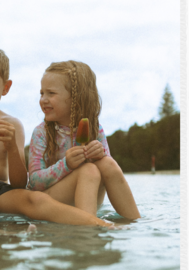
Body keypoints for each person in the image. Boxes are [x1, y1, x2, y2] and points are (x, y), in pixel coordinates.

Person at [0, 45, 116, 229]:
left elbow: (18, 183)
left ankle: (97, 225)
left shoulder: (13, 124)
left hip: (1, 190)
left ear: (6, 87)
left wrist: (12, 148)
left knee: (37, 199)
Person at [28, 60, 141, 219]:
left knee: (106, 163)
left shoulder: (95, 128)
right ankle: (86, 230)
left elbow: (109, 171)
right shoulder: (42, 132)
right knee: (88, 170)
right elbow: (34, 182)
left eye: (51, 93)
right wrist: (65, 165)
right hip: (51, 200)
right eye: (42, 93)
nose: (43, 99)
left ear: (76, 98)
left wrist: (99, 155)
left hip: (87, 194)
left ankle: (135, 221)